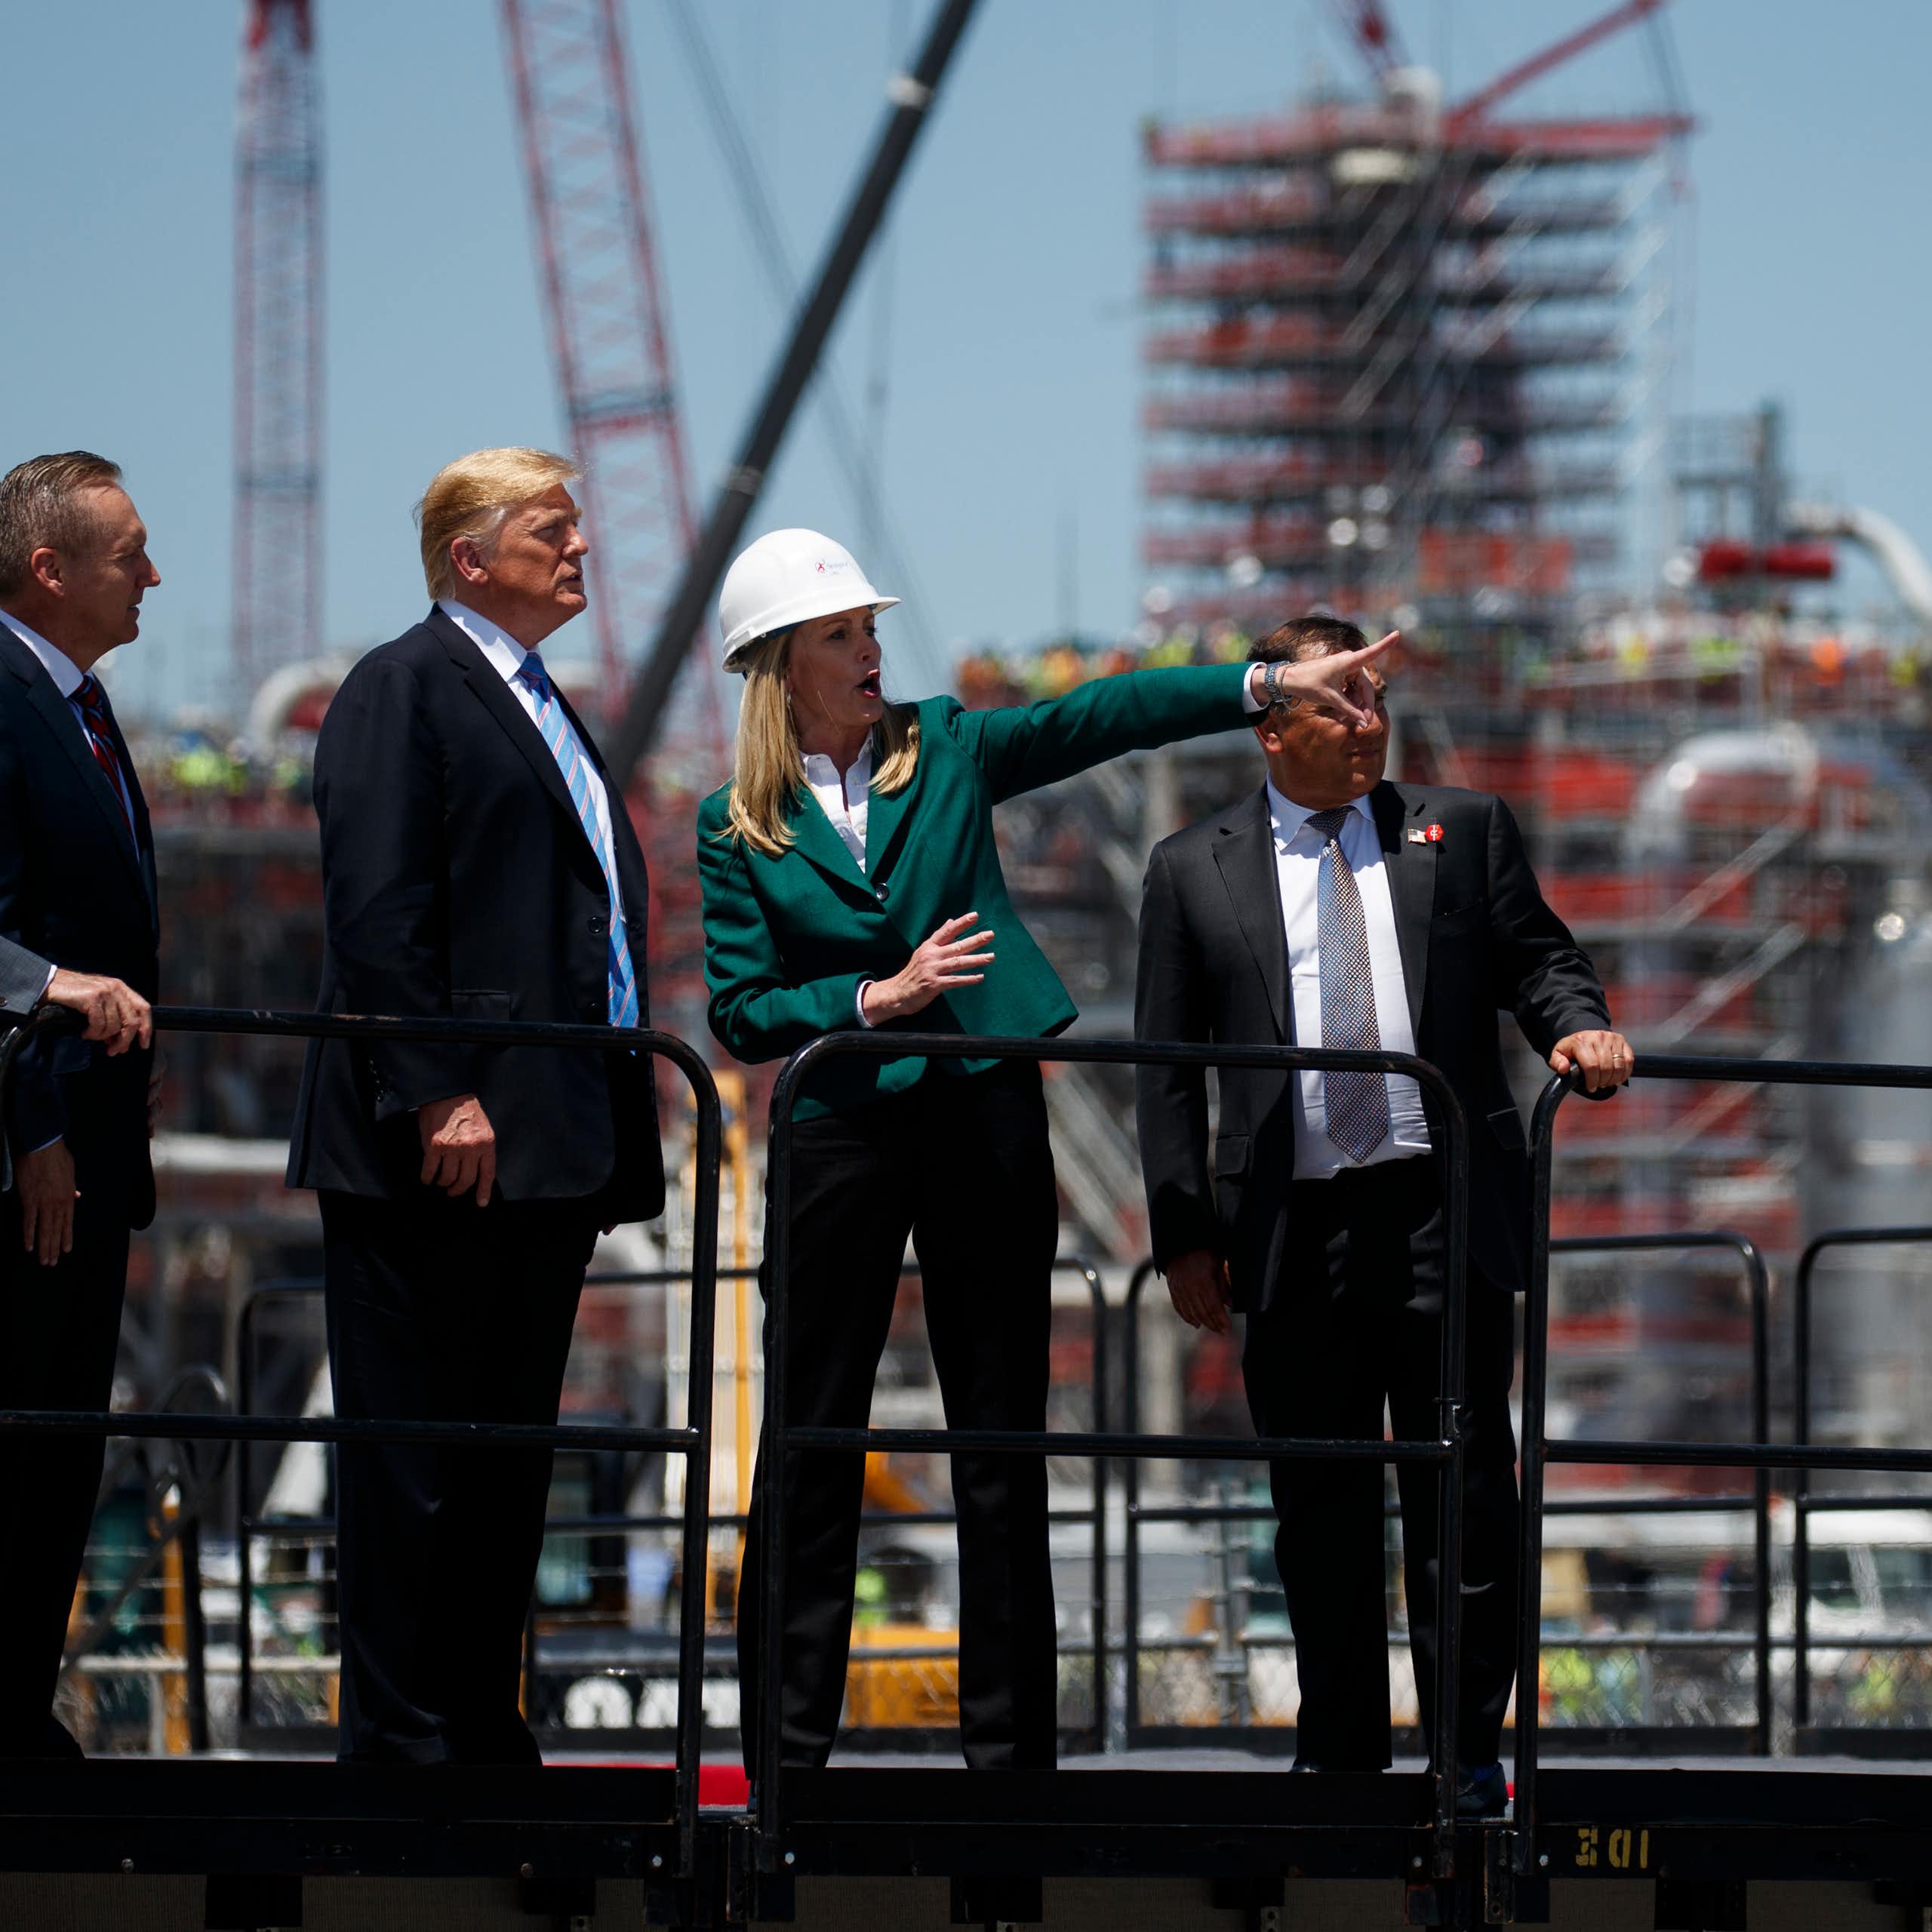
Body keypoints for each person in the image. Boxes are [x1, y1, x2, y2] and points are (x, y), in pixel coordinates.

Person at [697, 528, 1390, 1775]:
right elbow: (741, 1012)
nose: (871, 651)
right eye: (842, 635)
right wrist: (874, 999)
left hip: (981, 1111)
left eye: (869, 629)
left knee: (1001, 1439)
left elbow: (1103, 717)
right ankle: (782, 1760)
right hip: (840, 1127)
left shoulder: (948, 747)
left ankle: (1011, 1759)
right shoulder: (734, 824)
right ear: (778, 665)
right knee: (809, 1438)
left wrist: (1263, 686)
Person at [1134, 613, 1632, 1814]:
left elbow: (1539, 959)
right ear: (1273, 727)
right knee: (1320, 1505)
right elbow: (1166, 1068)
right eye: (1340, 703)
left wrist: (1578, 1022)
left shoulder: (1459, 833)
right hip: (1291, 1233)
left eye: (1378, 699)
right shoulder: (1188, 867)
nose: (1369, 723)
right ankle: (1341, 1756)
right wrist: (1183, 1233)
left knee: (1465, 1491)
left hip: (1442, 1215)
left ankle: (1463, 1751)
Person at [286, 447, 663, 1764]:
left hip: (547, 1145)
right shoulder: (404, 689)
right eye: (552, 530)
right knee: (413, 1455)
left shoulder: (539, 700)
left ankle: (483, 1724)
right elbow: (376, 910)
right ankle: (399, 1742)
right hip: (438, 1147)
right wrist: (437, 1089)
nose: (579, 550)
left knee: (506, 1460)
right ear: (469, 555)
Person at [0, 450, 163, 1758]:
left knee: (64, 1445)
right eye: (129, 555)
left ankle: (19, 1707)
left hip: (95, 1160)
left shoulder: (87, 710)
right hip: (32, 1161)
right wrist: (33, 1130)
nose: (153, 577)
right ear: (49, 569)